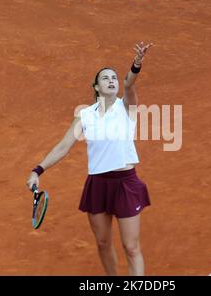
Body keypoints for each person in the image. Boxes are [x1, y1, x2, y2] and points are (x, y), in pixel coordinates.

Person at [26, 41, 153, 276]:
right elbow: (63, 146)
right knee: (103, 244)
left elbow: (129, 83)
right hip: (98, 184)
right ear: (96, 86)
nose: (112, 80)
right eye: (105, 78)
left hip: (126, 183)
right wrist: (38, 170)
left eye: (114, 77)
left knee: (131, 247)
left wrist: (136, 64)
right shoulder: (85, 115)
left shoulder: (126, 107)